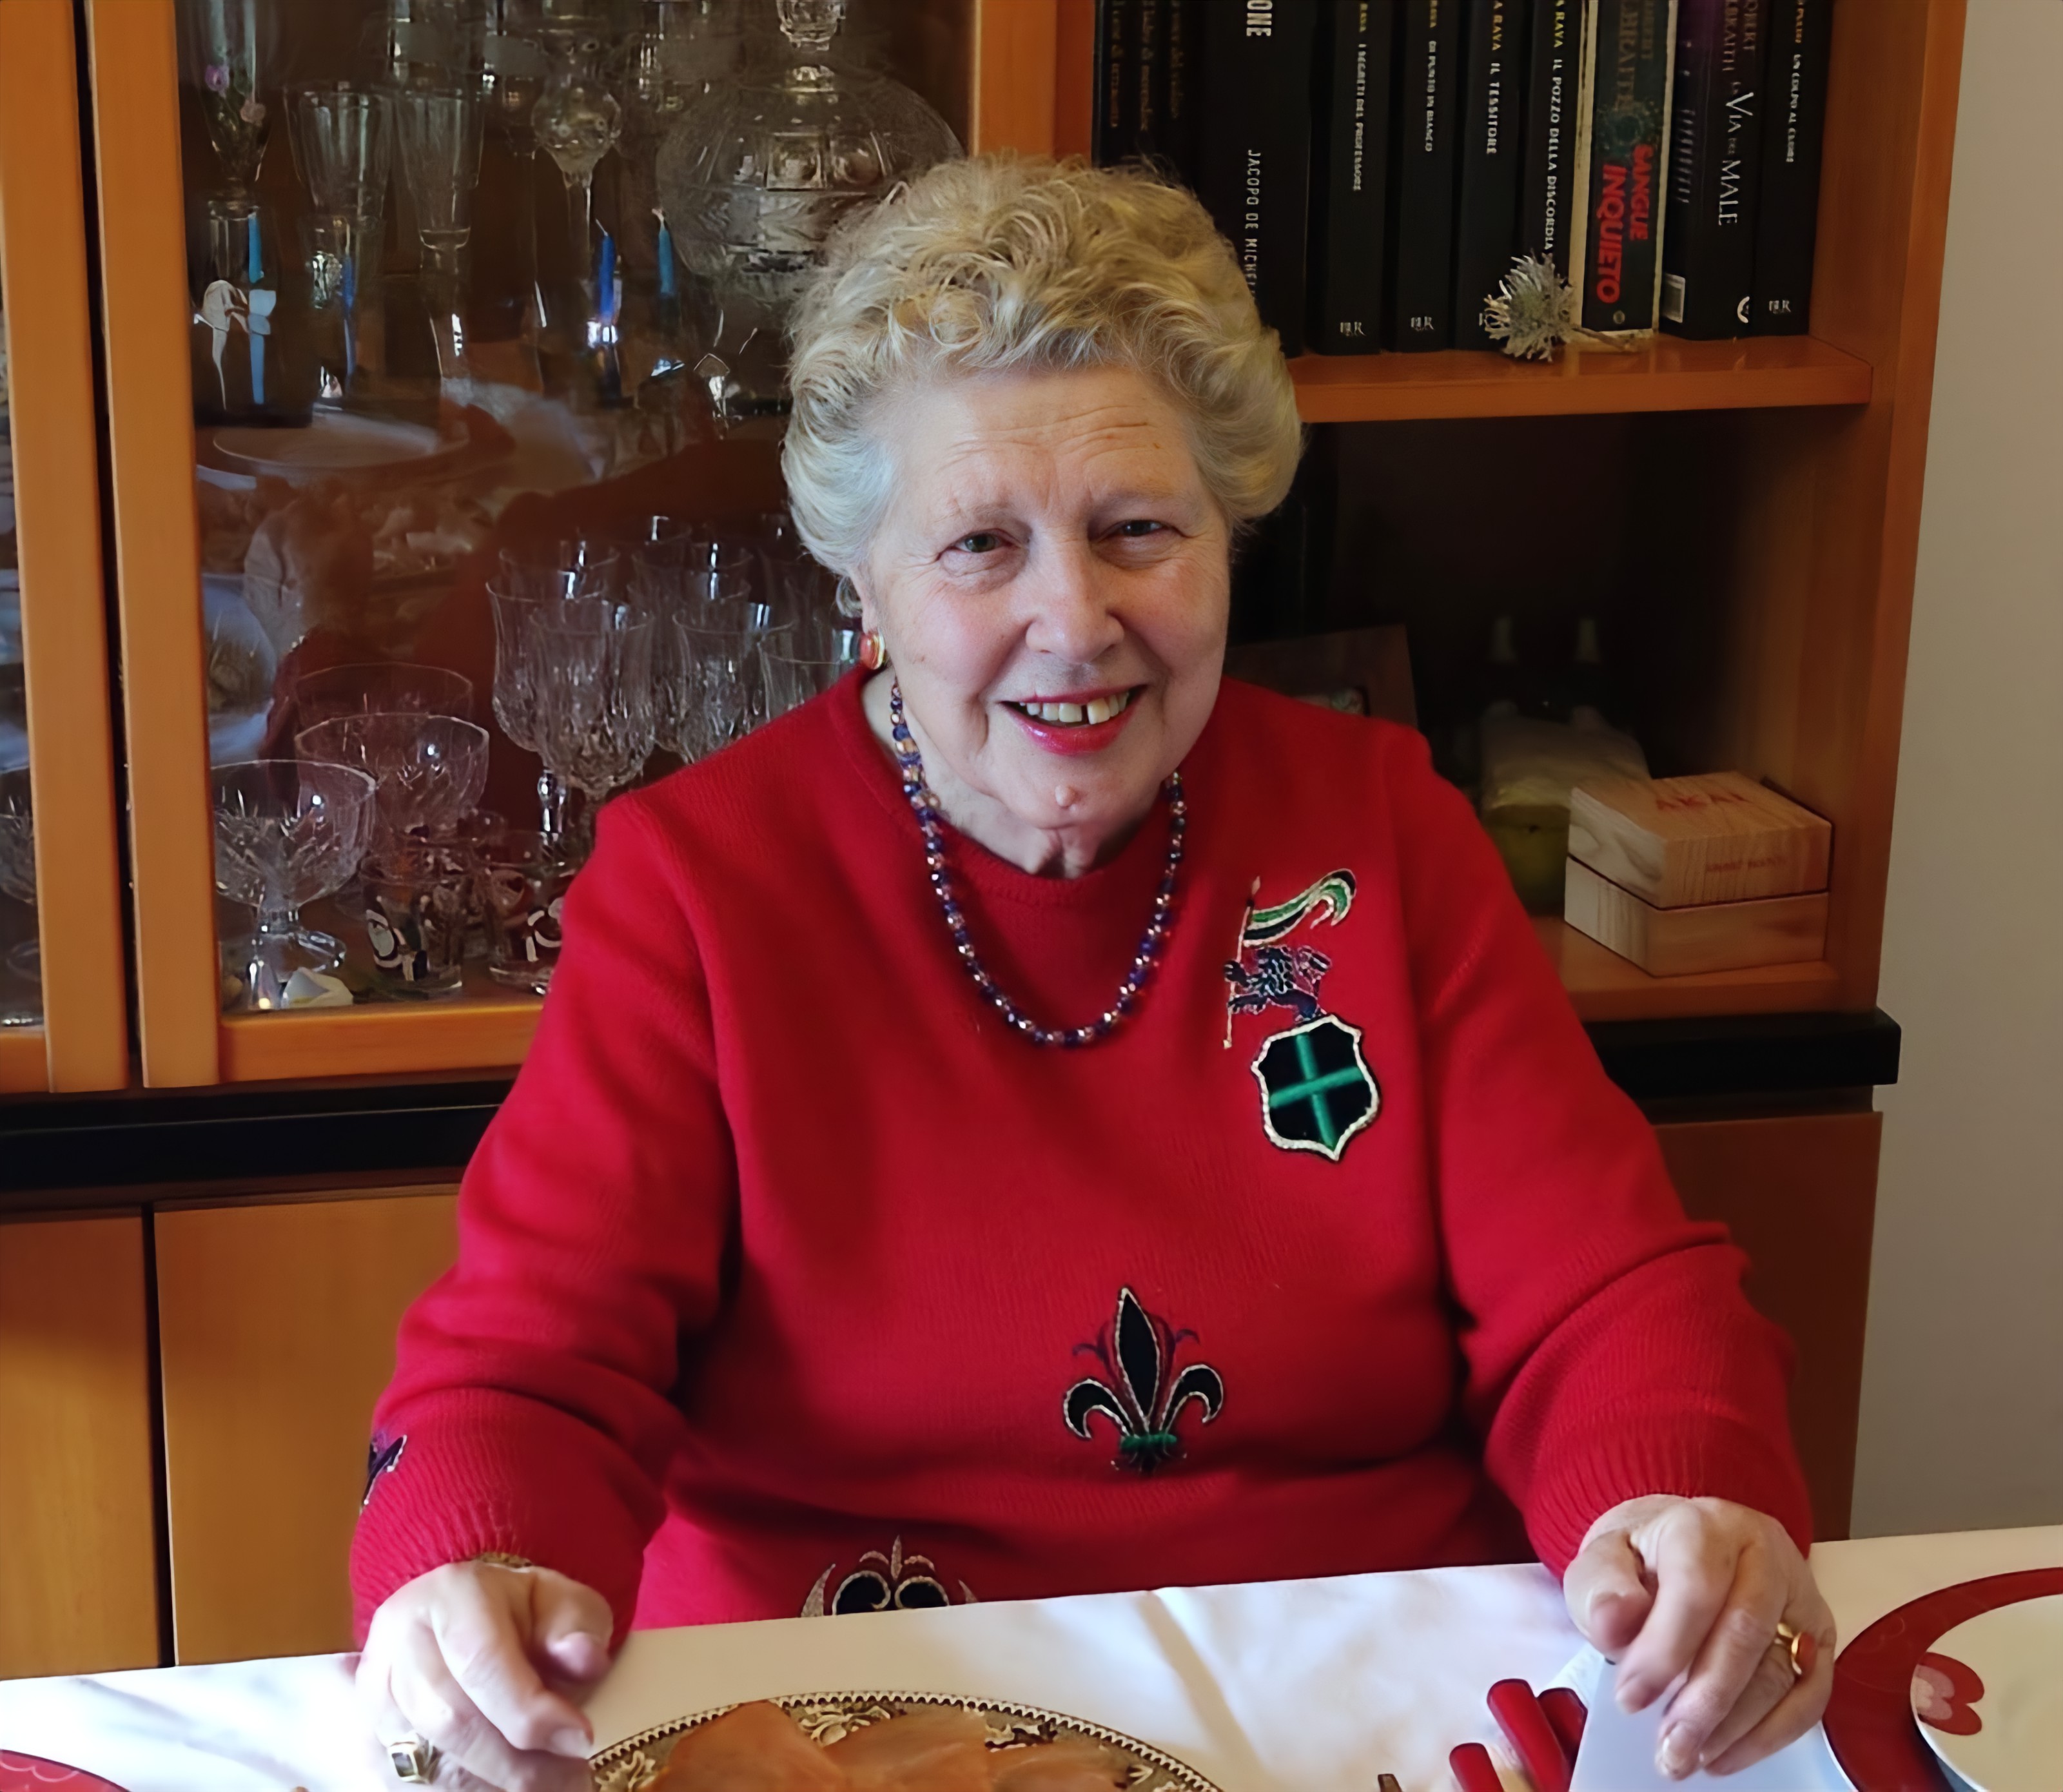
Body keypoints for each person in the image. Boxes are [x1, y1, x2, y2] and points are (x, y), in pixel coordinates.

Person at [353, 157, 1835, 1791]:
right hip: (865, 1730)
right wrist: (472, 1566)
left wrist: (1681, 1504)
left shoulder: (1380, 831)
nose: (1074, 619)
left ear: (1229, 536)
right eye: (980, 544)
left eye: (1138, 529)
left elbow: (1607, 1291)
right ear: (862, 581)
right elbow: (526, 1369)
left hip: (1356, 1712)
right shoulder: (697, 888)